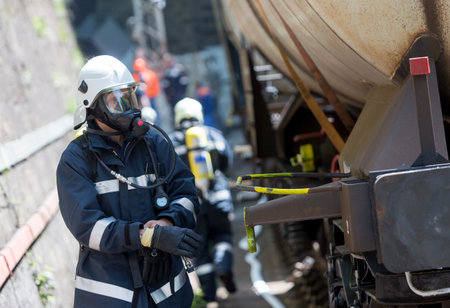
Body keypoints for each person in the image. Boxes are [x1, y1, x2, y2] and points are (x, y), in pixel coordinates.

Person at [56, 55, 202, 308]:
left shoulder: (155, 143)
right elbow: (88, 227)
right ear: (95, 106)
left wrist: (167, 223)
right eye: (116, 101)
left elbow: (186, 194)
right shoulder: (76, 159)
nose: (128, 108)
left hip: (167, 293)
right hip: (111, 296)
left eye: (129, 97)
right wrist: (146, 236)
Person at [169, 98, 237, 303]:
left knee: (199, 250)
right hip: (218, 199)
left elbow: (167, 175)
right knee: (223, 236)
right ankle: (223, 266)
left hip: (192, 205)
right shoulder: (213, 134)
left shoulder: (171, 142)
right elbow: (228, 162)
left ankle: (209, 296)